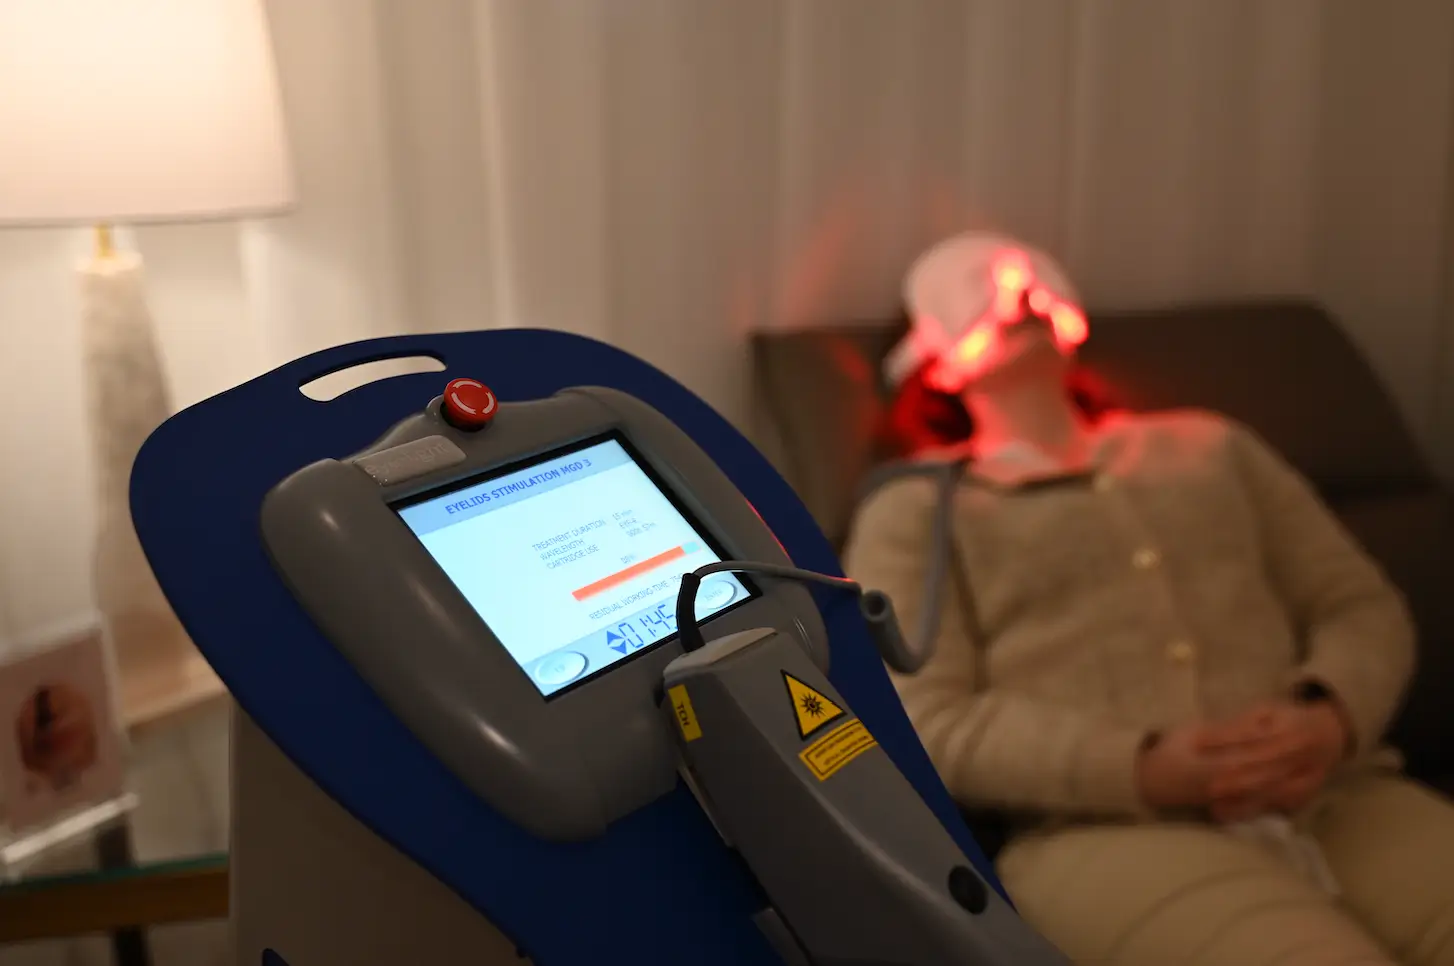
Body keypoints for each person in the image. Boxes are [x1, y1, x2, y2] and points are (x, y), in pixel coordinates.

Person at [843, 231, 1454, 966]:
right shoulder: (917, 507)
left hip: (1339, 795)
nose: (1018, 303)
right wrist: (1138, 766)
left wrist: (1330, 719)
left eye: (1032, 290)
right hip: (1107, 839)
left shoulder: (1211, 446)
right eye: (988, 300)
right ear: (933, 366)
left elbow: (1361, 606)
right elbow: (922, 716)